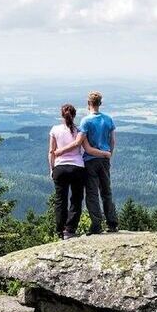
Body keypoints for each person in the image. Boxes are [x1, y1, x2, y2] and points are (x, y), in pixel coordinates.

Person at [55, 91, 117, 234]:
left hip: (90, 161)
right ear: (100, 103)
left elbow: (80, 143)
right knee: (107, 192)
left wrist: (59, 151)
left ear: (88, 103)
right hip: (105, 160)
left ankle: (96, 225)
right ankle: (112, 223)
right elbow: (112, 140)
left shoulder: (86, 121)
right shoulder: (108, 120)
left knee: (92, 194)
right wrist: (108, 155)